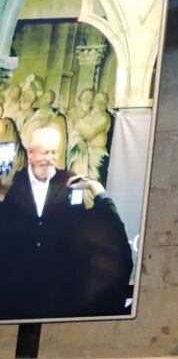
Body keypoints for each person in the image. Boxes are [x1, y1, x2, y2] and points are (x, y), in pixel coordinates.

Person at [0, 125, 133, 320]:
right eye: (45, 152)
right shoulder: (13, 184)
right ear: (30, 153)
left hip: (58, 292)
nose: (50, 158)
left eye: (54, 152)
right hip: (17, 293)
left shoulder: (69, 180)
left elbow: (78, 227)